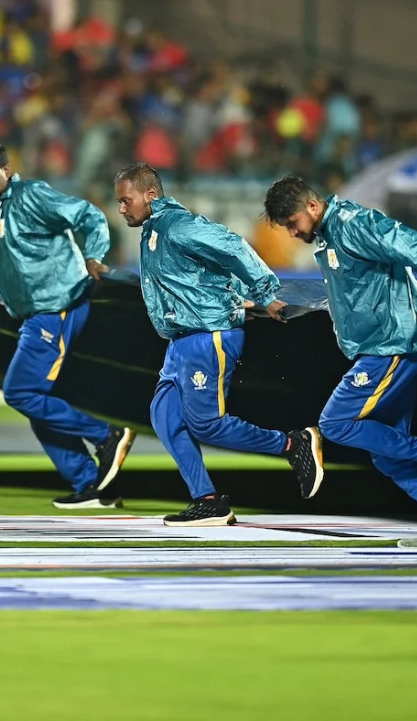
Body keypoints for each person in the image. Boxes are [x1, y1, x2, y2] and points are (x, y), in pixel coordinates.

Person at [263, 174, 417, 549]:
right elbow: (374, 279)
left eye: (293, 224)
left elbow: (414, 246)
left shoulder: (353, 223)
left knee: (335, 422)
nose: (293, 234)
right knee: (385, 454)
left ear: (312, 207)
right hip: (381, 342)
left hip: (393, 343)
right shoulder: (332, 234)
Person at [115, 163, 323, 527]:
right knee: (165, 417)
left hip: (207, 336)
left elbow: (231, 246)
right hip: (181, 341)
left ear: (150, 195)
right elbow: (199, 276)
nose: (121, 208)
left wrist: (264, 293)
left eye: (125, 199)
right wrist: (231, 293)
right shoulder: (155, 230)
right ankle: (208, 500)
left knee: (207, 424)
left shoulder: (178, 225)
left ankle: (293, 444)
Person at [0, 142, 135, 509]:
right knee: (36, 404)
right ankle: (93, 486)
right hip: (38, 312)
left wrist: (94, 254)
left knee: (20, 393)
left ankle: (107, 435)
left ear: (7, 170)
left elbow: (88, 215)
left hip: (56, 307)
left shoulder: (29, 196)